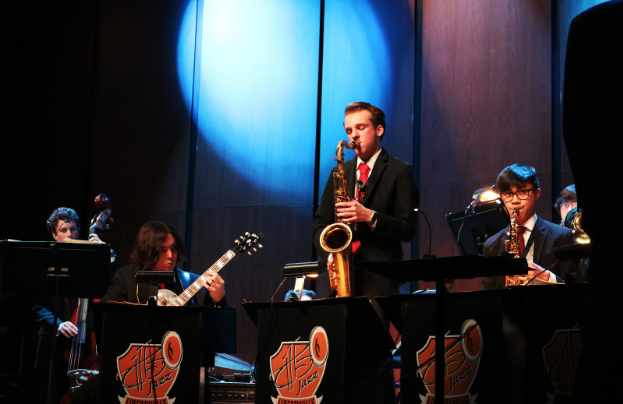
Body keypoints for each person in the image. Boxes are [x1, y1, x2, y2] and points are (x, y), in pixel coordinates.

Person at [70, 221, 228, 404]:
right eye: (162, 249)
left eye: (174, 248)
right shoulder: (126, 278)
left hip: (180, 371)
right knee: (80, 399)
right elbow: (94, 321)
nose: (171, 256)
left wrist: (219, 300)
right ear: (148, 250)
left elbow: (220, 335)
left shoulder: (191, 283)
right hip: (131, 370)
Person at [563, 1, 623, 400]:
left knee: (609, 337)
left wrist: (591, 200)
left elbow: (576, 126)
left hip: (615, 202)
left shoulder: (590, 25)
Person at [312, 101, 420, 299]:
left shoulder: (401, 171)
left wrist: (369, 215)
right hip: (342, 276)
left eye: (360, 128)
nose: (353, 135)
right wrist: (330, 256)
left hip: (381, 280)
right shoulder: (338, 172)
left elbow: (407, 229)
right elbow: (320, 224)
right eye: (349, 130)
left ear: (379, 130)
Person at [31, 207, 112, 404]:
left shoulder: (88, 260)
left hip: (83, 346)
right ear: (53, 234)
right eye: (64, 230)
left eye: (73, 229)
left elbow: (113, 284)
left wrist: (105, 255)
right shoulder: (45, 263)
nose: (70, 234)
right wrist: (58, 324)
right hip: (53, 343)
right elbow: (35, 306)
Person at [481, 164, 575, 289]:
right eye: (508, 193)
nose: (515, 200)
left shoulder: (562, 236)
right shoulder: (491, 245)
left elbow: (576, 289)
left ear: (537, 193)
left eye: (522, 191)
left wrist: (548, 278)